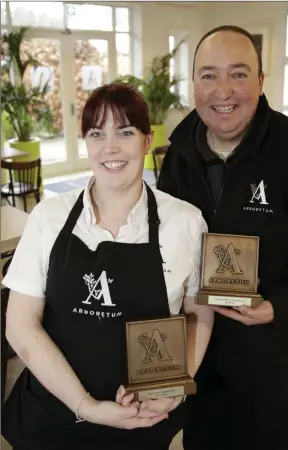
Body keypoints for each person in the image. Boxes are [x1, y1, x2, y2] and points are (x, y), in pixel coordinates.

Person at [157, 25, 288, 450]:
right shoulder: (178, 155)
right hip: (197, 345)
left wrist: (280, 306)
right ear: (194, 84)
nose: (223, 90)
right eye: (208, 75)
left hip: (267, 350)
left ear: (261, 81)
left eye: (239, 73)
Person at [2, 82, 214, 450]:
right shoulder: (48, 218)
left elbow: (198, 315)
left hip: (142, 418)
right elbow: (20, 325)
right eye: (97, 133)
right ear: (85, 141)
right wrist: (87, 407)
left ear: (147, 141)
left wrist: (171, 389)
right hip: (52, 416)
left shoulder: (186, 223)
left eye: (126, 132)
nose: (110, 147)